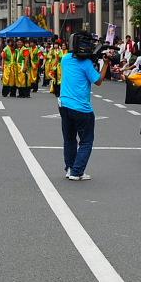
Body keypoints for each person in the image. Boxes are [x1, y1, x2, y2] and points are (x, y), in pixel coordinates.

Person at [59, 32, 110, 180]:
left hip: (64, 105)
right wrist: (106, 64)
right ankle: (77, 172)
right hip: (82, 108)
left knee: (69, 139)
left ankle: (70, 168)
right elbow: (98, 81)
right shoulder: (86, 64)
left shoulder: (65, 59)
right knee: (86, 141)